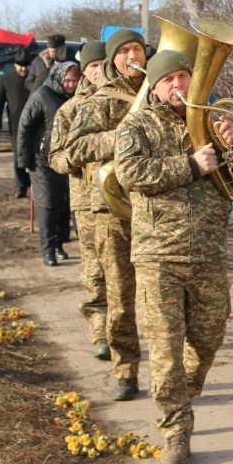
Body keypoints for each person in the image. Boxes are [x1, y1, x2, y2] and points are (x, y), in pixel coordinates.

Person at [115, 49, 233, 464]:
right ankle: (176, 430)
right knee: (165, 351)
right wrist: (191, 166)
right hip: (158, 256)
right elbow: (131, 174)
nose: (178, 86)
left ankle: (184, 388)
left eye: (183, 77)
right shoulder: (137, 125)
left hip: (209, 252)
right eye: (168, 79)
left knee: (210, 337)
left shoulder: (213, 119)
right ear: (155, 87)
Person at [63, 28, 147, 402]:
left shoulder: (160, 91)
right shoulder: (99, 101)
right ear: (113, 59)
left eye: (139, 50)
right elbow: (76, 147)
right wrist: (124, 136)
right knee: (119, 295)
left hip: (159, 207)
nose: (133, 57)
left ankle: (171, 371)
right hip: (110, 208)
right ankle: (126, 371)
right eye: (125, 51)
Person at [49, 40, 110, 358]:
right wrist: (82, 153)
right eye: (94, 66)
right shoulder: (70, 110)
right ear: (85, 71)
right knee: (95, 267)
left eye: (104, 64)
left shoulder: (130, 101)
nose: (100, 70)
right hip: (87, 201)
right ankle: (100, 329)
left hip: (127, 200)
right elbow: (56, 158)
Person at [17, 61, 79, 265]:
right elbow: (24, 127)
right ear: (58, 78)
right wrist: (24, 160)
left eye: (74, 80)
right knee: (48, 204)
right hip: (42, 160)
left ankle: (59, 244)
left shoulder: (77, 97)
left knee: (64, 203)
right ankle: (48, 250)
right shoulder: (42, 96)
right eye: (67, 80)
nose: (70, 84)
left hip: (68, 159)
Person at [0, 50, 34, 198]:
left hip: (36, 122)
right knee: (18, 156)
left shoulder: (35, 78)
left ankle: (35, 184)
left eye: (26, 66)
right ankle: (21, 186)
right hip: (16, 124)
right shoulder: (6, 78)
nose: (24, 69)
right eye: (20, 66)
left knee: (35, 155)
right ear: (14, 65)